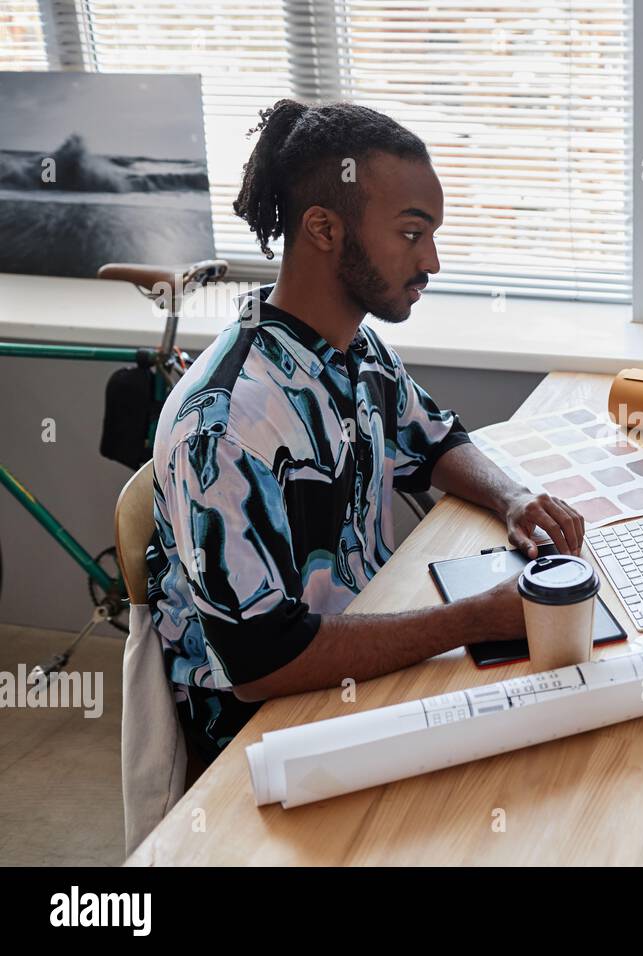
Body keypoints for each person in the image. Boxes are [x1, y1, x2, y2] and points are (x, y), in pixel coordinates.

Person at [146, 99, 584, 763]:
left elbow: (434, 441)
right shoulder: (225, 423)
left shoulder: (357, 350)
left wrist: (513, 498)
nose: (432, 260)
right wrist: (473, 620)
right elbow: (263, 662)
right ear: (324, 228)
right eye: (411, 234)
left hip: (364, 657)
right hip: (268, 734)